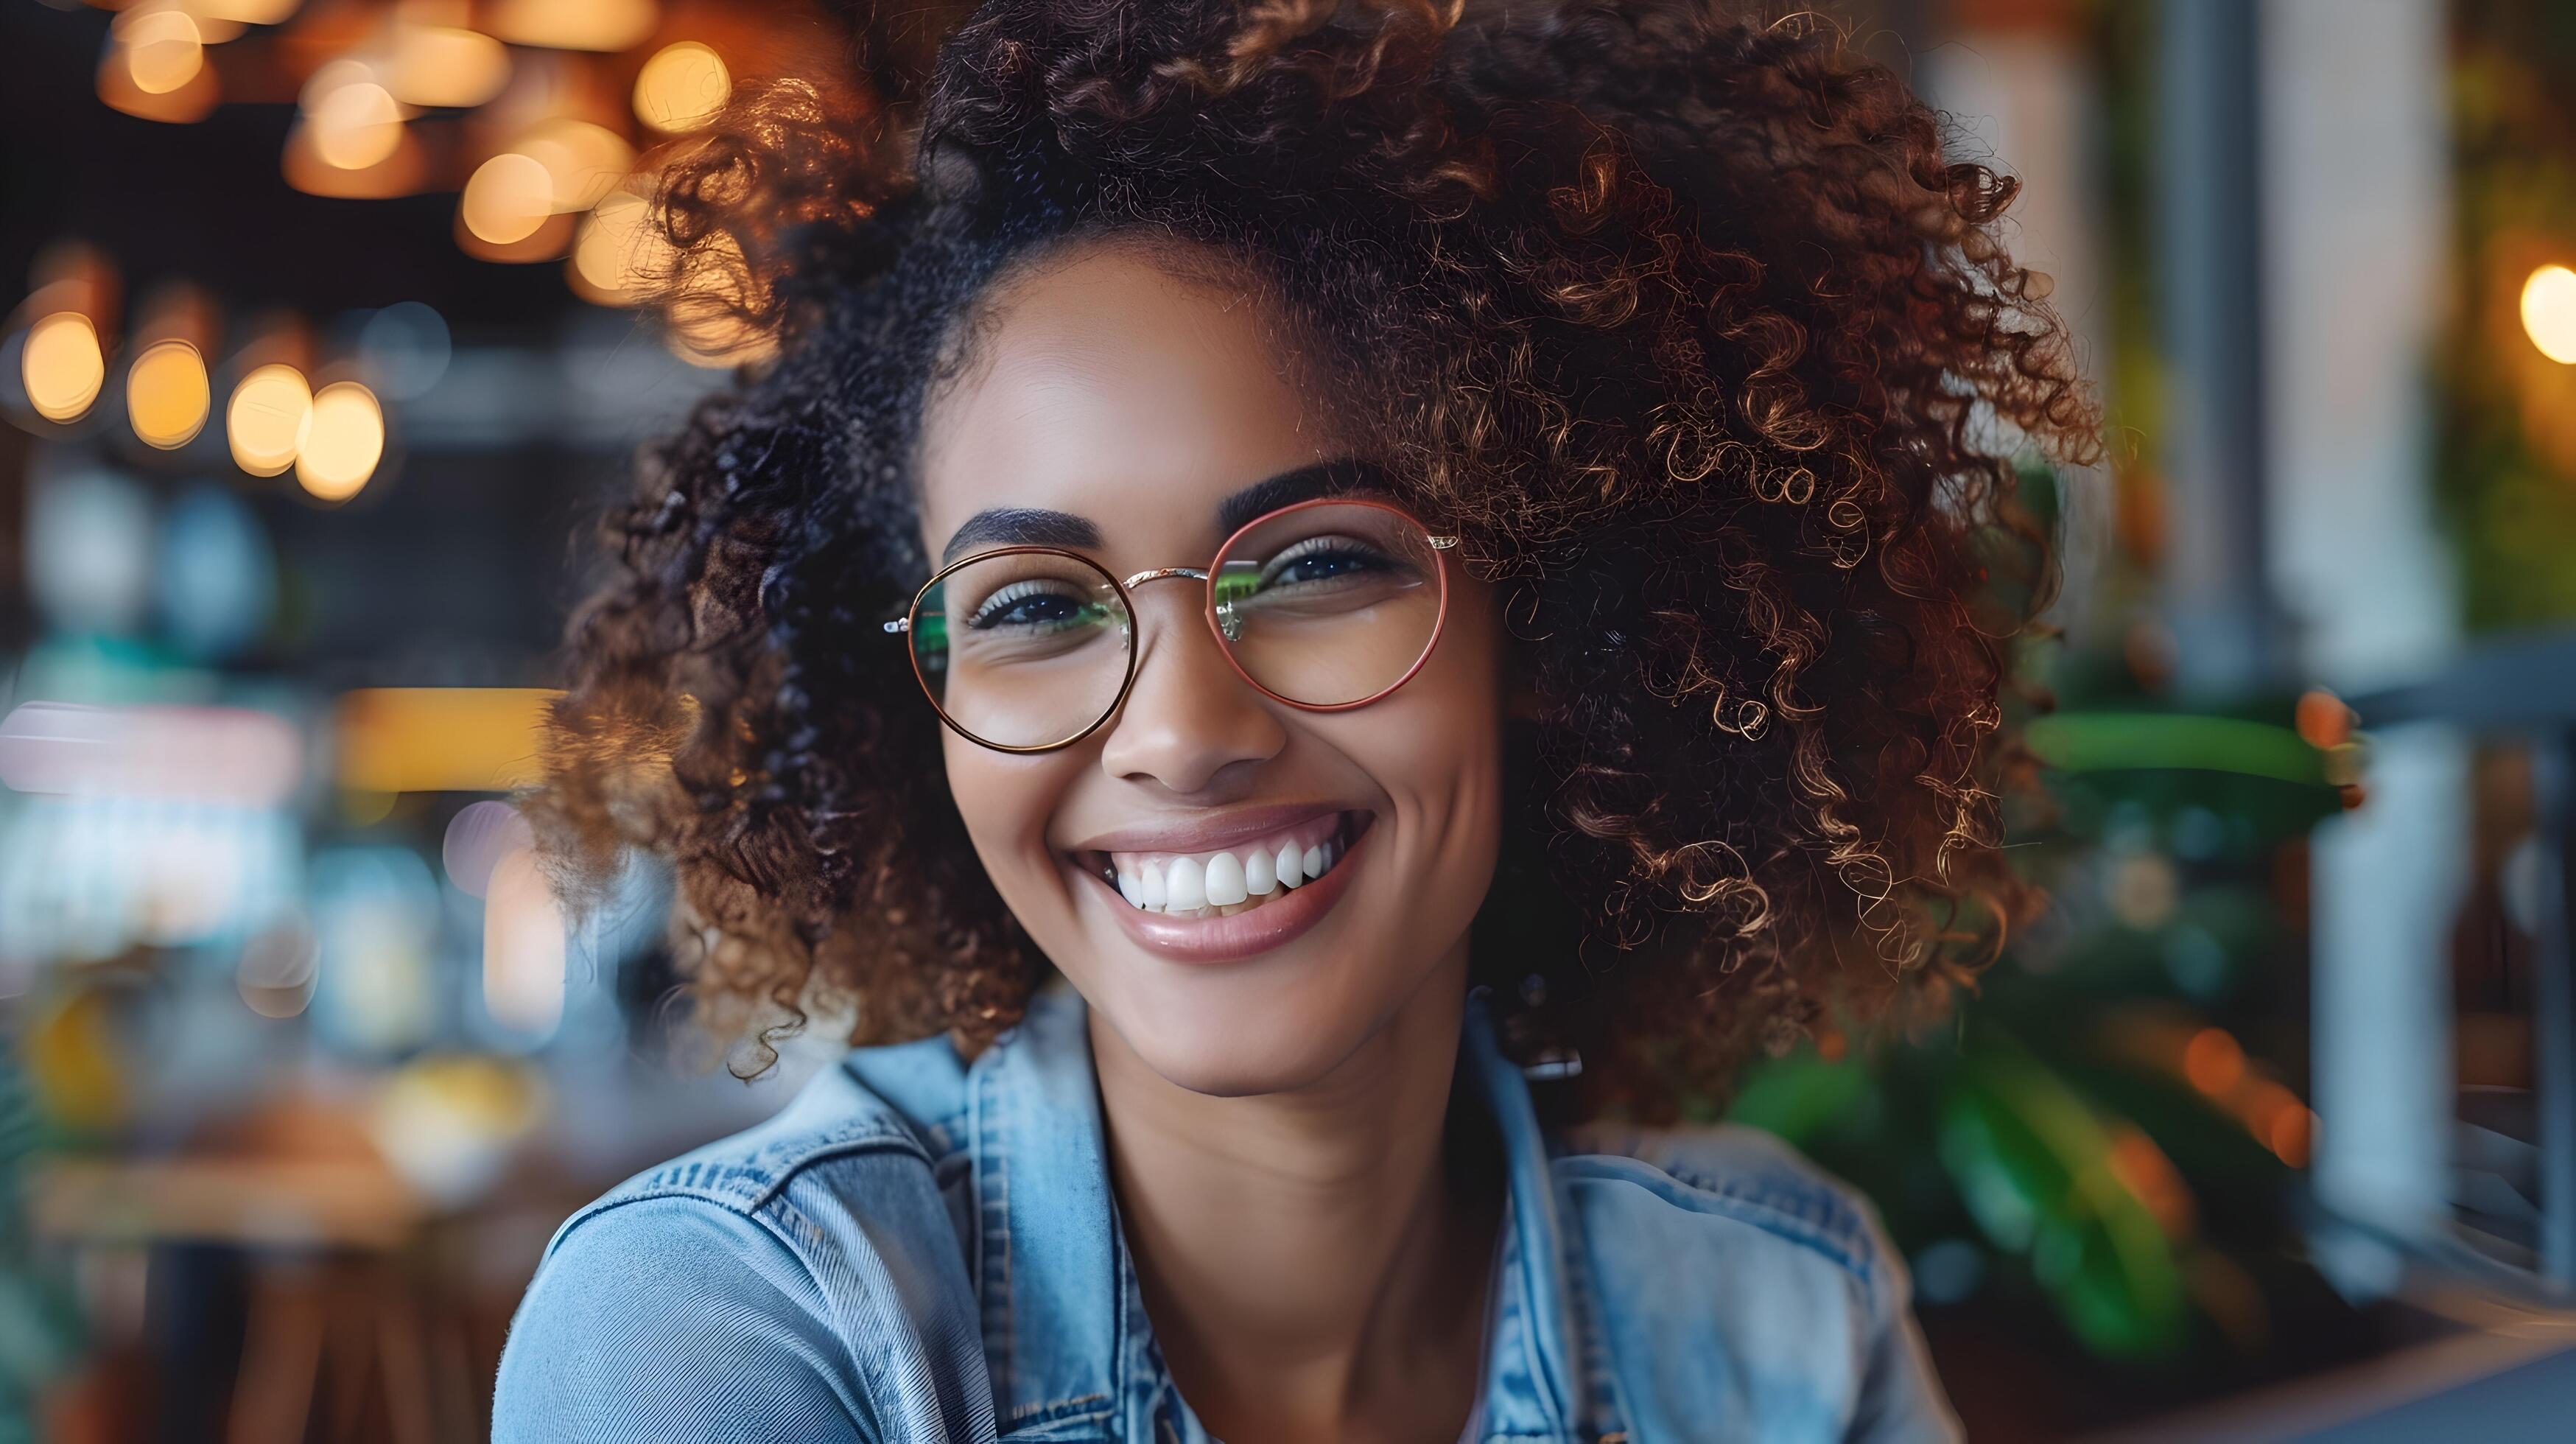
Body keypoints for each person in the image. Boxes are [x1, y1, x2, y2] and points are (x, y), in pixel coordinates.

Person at [492, 1, 2091, 1439]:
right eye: (1035, 604)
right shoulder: (735, 1330)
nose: (1183, 733)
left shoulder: (1777, 1320)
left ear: (1554, 628)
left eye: (1323, 564)